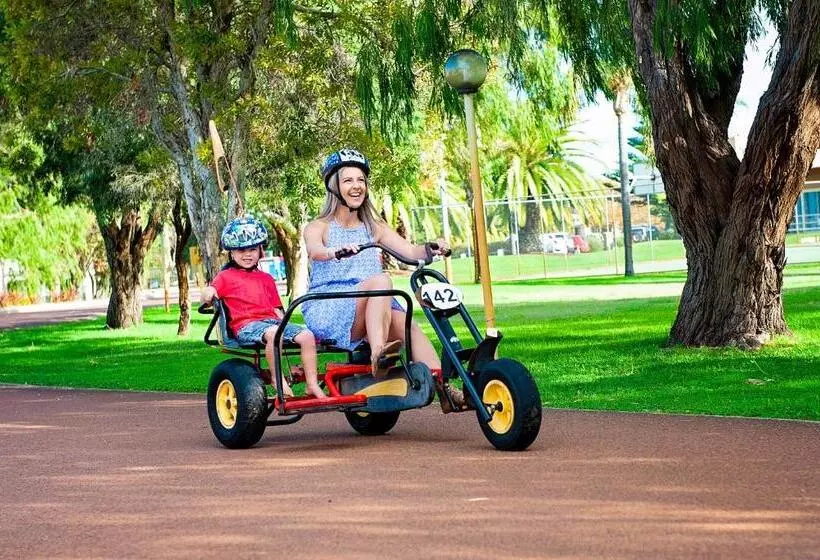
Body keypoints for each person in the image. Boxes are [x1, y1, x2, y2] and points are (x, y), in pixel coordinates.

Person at [302, 149, 464, 408]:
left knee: (406, 323)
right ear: (334, 187)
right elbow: (315, 251)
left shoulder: (373, 227)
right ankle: (378, 353)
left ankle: (444, 388)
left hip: (374, 304)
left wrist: (430, 248)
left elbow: (410, 252)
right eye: (348, 181)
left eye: (361, 180)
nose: (356, 186)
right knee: (381, 281)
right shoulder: (319, 226)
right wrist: (335, 252)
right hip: (330, 306)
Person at [201, 216, 326, 400]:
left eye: (252, 249)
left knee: (307, 336)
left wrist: (285, 324)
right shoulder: (225, 276)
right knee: (275, 333)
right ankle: (277, 379)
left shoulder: (266, 278)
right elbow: (208, 293)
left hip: (271, 322)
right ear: (231, 253)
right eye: (241, 250)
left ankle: (311, 384)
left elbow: (276, 309)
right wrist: (209, 293)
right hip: (246, 325)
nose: (247, 254)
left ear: (261, 250)